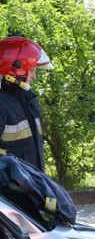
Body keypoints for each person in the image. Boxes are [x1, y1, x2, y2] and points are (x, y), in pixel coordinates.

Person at [0, 36, 53, 172]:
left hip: (31, 185)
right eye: (32, 71)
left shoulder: (28, 101)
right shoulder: (2, 105)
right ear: (16, 71)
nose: (34, 77)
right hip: (10, 190)